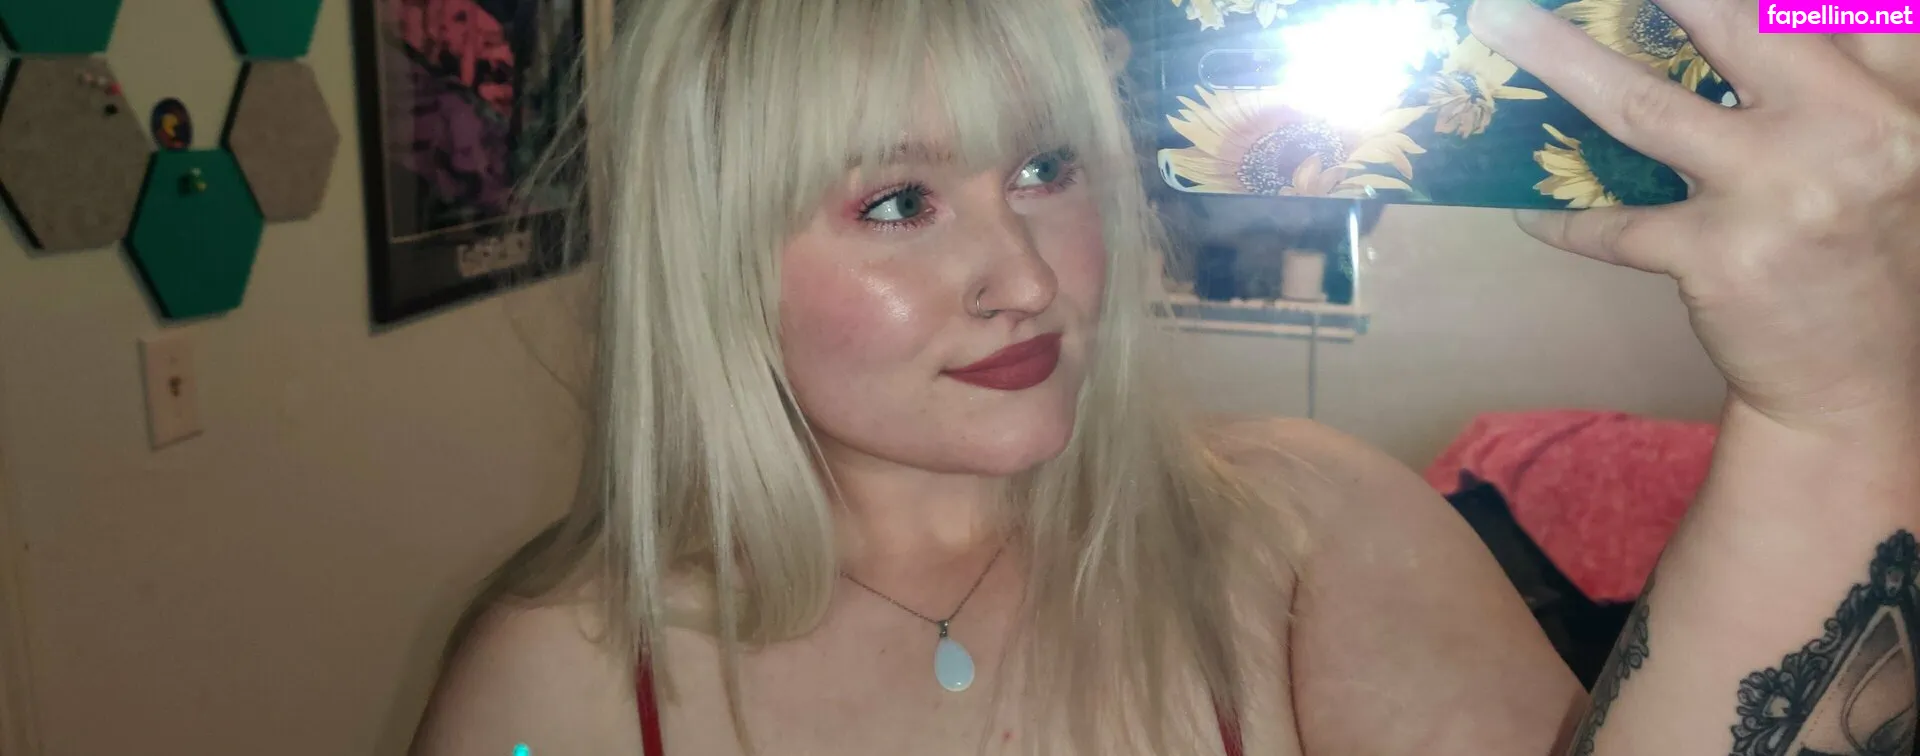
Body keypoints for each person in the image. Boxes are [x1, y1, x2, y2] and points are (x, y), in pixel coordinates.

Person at [410, 0, 1920, 754]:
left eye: (1047, 167)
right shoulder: (567, 676)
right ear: (713, 262)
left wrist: (1833, 405)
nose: (1027, 272)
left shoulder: (1305, 538)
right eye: (899, 202)